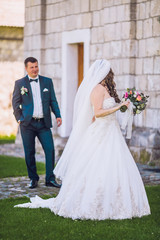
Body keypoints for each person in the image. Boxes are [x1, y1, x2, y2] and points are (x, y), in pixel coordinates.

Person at [15, 59, 150, 220]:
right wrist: (118, 107)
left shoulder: (106, 88)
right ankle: (36, 179)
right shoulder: (96, 89)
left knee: (114, 165)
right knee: (95, 165)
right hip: (100, 131)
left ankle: (115, 196)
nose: (110, 73)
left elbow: (108, 109)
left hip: (111, 131)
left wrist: (128, 104)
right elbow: (98, 112)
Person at [12, 57, 62, 189]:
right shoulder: (19, 83)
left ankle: (50, 179)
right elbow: (15, 103)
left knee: (50, 150)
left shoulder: (47, 82)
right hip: (27, 124)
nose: (35, 69)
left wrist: (58, 115)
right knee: (29, 152)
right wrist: (19, 119)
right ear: (26, 68)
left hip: (43, 124)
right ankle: (33, 179)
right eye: (31, 67)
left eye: (36, 66)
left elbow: (53, 101)